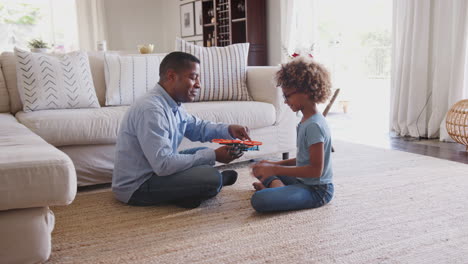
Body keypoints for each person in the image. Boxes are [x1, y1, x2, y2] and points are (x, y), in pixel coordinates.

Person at [112, 51, 251, 209]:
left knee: (202, 151)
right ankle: (208, 185)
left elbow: (197, 127)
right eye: (193, 77)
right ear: (171, 76)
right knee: (211, 177)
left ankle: (186, 194)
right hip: (138, 186)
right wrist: (214, 155)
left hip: (156, 170)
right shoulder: (151, 110)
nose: (198, 84)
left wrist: (228, 130)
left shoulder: (172, 103)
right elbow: (163, 164)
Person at [250, 57, 334, 213]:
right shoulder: (306, 120)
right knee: (260, 168)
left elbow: (315, 171)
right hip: (302, 180)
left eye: (287, 96)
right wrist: (273, 165)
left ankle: (275, 189)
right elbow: (303, 159)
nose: (285, 101)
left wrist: (275, 170)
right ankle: (278, 189)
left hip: (317, 190)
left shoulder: (315, 125)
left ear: (307, 92)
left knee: (259, 201)